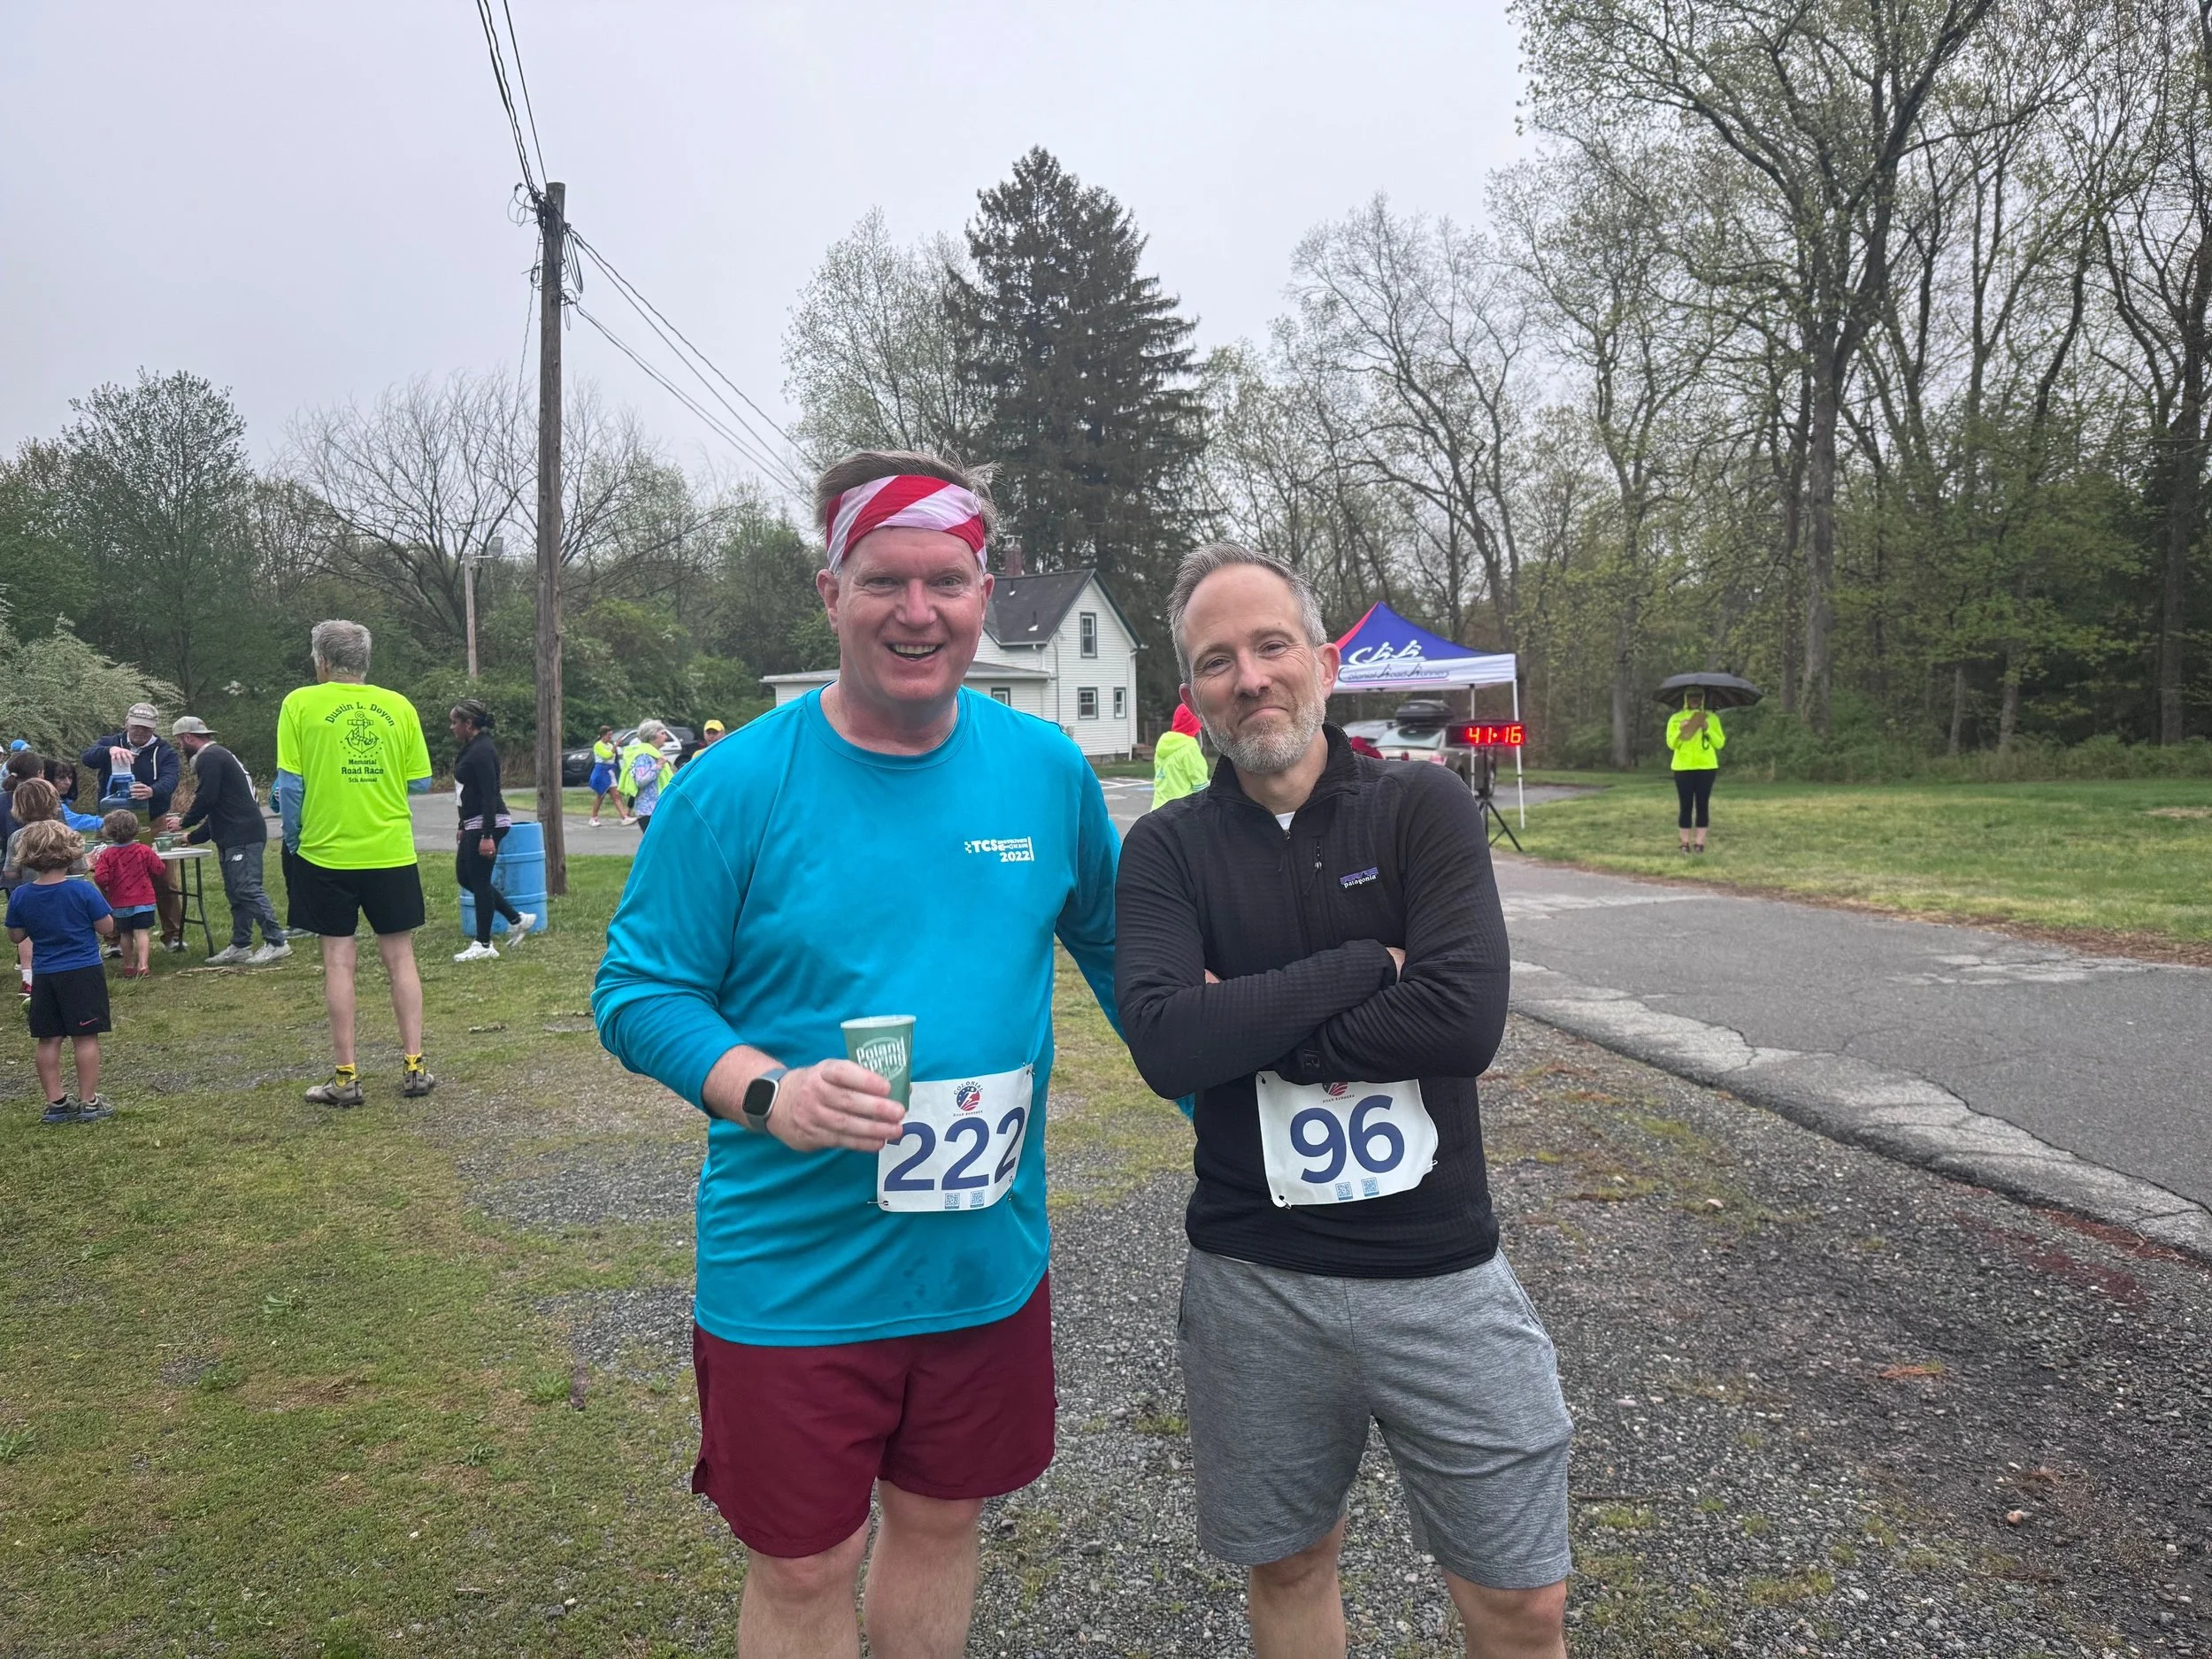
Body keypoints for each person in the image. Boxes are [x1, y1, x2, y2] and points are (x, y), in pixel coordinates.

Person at [594, 449, 1118, 1659]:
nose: (917, 611)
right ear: (829, 590)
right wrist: (764, 1088)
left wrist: (1236, 1089)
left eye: (947, 579)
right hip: (794, 1266)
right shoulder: (730, 788)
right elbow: (637, 989)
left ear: (988, 591)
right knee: (806, 1559)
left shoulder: (1045, 771)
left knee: (940, 1518)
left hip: (983, 1254)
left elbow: (1122, 955)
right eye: (885, 578)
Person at [1116, 543, 1573, 1659]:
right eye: (1216, 661)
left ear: (1323, 662)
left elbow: (1462, 1026)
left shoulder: (1422, 809)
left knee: (1522, 1600)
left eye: (1271, 646)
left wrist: (1250, 1020)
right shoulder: (1166, 849)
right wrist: (1371, 961)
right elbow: (1170, 1043)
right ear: (1194, 695)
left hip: (1439, 1267)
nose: (1250, 678)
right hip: (1254, 1275)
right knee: (1288, 1563)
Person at [274, 619, 437, 1106]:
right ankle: (415, 1066)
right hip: (390, 850)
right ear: (365, 661)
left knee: (338, 962)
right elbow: (422, 782)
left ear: (321, 661)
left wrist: (295, 838)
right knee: (400, 958)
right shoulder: (399, 706)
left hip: (327, 852)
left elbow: (290, 786)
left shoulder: (300, 704)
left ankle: (346, 1077)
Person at [8, 820, 117, 1125]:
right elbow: (107, 927)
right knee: (85, 1037)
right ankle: (89, 1102)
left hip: (44, 974)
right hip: (82, 972)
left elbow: (16, 936)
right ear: (71, 853)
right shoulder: (83, 890)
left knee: (48, 1038)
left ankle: (56, 1103)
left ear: (26, 855)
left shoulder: (21, 895)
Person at [160, 716, 288, 965]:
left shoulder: (210, 758)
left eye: (179, 742)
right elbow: (220, 807)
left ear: (188, 738)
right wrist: (194, 837)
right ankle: (241, 945)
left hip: (242, 835)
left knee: (247, 889)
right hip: (234, 834)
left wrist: (183, 822)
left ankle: (276, 941)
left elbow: (207, 798)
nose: (179, 748)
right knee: (235, 893)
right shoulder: (219, 756)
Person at [449, 698, 535, 963]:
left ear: (469, 723)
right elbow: (468, 793)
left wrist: (487, 835)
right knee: (466, 877)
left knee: (479, 880)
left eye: (455, 722)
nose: (451, 728)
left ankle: (484, 943)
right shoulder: (471, 747)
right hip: (474, 822)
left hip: (490, 823)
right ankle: (516, 918)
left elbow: (489, 793)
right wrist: (463, 825)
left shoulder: (483, 750)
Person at [6, 778, 89, 1001]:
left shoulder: (17, 836)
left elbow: (11, 873)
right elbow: (80, 867)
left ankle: (28, 978)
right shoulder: (64, 830)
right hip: (63, 894)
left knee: (27, 936)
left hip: (29, 894)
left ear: (18, 807)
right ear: (54, 803)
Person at [91, 811, 165, 979]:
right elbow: (159, 869)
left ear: (109, 832)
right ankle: (144, 965)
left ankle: (128, 965)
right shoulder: (144, 851)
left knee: (125, 934)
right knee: (142, 932)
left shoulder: (107, 855)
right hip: (144, 899)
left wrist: (108, 888)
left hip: (120, 901)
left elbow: (100, 877)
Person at [81, 702, 180, 818]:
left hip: (152, 817)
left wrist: (152, 790)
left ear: (154, 728)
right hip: (110, 817)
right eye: (136, 727)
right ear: (126, 723)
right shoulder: (110, 742)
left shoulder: (166, 752)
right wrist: (109, 750)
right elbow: (87, 759)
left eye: (146, 728)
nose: (140, 731)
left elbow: (171, 779)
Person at [1665, 689, 1725, 855]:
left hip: (1706, 767)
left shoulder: (1712, 718)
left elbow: (1720, 743)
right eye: (1691, 697)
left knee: (1702, 805)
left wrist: (1707, 729)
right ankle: (1684, 843)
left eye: (1698, 697)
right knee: (1685, 805)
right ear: (1685, 699)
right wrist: (1681, 730)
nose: (1694, 700)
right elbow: (1671, 744)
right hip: (1682, 767)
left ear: (1703, 699)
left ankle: (1700, 843)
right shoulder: (1676, 719)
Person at [1149, 702, 1209, 810]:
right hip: (1181, 812)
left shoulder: (1164, 744)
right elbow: (1200, 787)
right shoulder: (1190, 748)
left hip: (1158, 809)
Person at [616, 719, 672, 831]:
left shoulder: (654, 753)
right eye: (662, 733)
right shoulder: (644, 755)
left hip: (657, 807)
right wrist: (658, 766)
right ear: (652, 736)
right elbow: (640, 781)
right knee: (655, 847)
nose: (666, 737)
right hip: (648, 810)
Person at [588, 726, 621, 826]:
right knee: (600, 795)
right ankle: (593, 818)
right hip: (601, 772)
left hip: (610, 771)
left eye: (611, 734)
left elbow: (612, 757)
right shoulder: (598, 745)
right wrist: (615, 748)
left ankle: (624, 817)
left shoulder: (610, 745)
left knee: (616, 795)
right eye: (609, 735)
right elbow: (606, 756)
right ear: (603, 735)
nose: (611, 737)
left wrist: (613, 748)